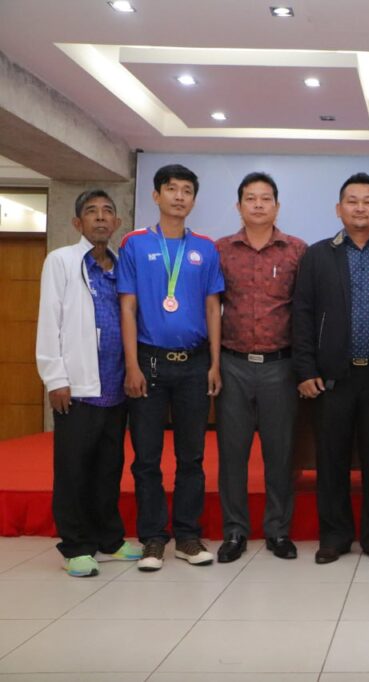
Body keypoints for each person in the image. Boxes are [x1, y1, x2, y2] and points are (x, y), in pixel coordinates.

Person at [118, 163, 224, 571]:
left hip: (195, 364)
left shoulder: (205, 248)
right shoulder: (135, 244)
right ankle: (152, 538)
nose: (179, 197)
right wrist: (132, 365)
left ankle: (187, 536)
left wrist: (215, 363)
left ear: (194, 199)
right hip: (148, 362)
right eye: (172, 189)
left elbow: (213, 308)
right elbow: (128, 307)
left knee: (191, 457)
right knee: (146, 457)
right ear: (156, 195)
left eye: (187, 191)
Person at [292, 172, 369, 565]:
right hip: (331, 378)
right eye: (352, 201)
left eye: (368, 201)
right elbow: (302, 314)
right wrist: (305, 369)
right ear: (339, 209)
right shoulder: (318, 255)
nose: (360, 208)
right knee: (331, 460)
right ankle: (334, 537)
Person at [36, 190, 141, 577]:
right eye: (92, 212)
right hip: (77, 388)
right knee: (73, 470)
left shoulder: (121, 266)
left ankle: (109, 540)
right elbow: (49, 320)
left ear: (117, 223)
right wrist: (55, 378)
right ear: (78, 223)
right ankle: (76, 546)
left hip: (115, 386)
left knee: (108, 469)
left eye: (107, 212)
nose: (100, 217)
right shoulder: (62, 261)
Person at [214, 172, 306, 563]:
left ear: (277, 206)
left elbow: (304, 310)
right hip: (232, 364)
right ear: (239, 206)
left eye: (265, 198)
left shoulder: (296, 251)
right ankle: (235, 531)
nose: (257, 204)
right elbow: (211, 307)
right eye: (250, 198)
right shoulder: (221, 250)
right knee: (232, 454)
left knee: (280, 454)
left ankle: (278, 531)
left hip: (279, 367)